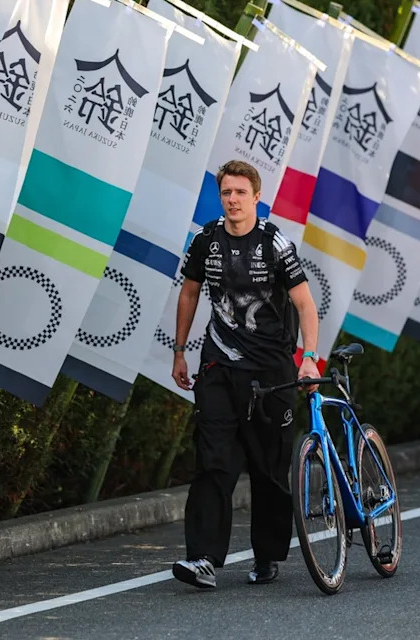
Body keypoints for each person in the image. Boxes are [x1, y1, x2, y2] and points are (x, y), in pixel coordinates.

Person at [170, 160, 320, 589]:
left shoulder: (275, 244)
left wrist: (308, 356)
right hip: (218, 365)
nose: (232, 200)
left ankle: (268, 556)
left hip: (271, 371)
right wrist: (180, 351)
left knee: (269, 469)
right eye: (226, 193)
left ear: (256, 197)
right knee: (213, 461)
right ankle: (202, 559)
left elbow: (305, 304)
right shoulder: (206, 240)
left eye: (240, 193)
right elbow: (190, 292)